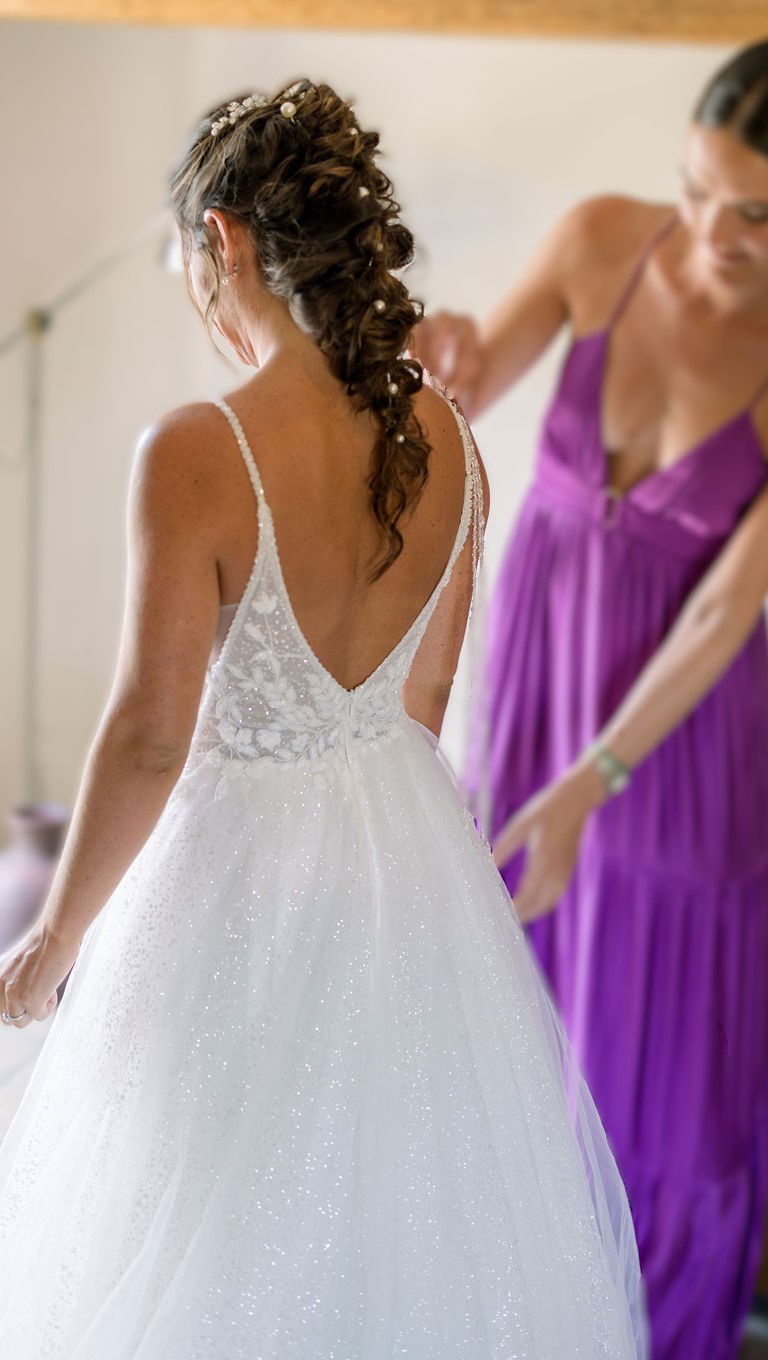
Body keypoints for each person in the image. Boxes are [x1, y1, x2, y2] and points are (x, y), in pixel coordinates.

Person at [0, 79, 645, 1358]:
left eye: (191, 255)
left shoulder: (198, 446)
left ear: (225, 240)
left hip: (225, 883)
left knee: (193, 1213)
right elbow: (420, 709)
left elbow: (147, 731)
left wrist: (56, 937)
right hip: (407, 889)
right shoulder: (449, 438)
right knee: (392, 1233)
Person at [412, 38, 768, 1360]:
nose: (709, 236)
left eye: (755, 214)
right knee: (519, 1039)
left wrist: (595, 783)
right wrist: (438, 348)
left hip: (677, 750)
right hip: (534, 703)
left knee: (668, 1097)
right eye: (694, 190)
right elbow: (459, 392)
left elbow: (732, 606)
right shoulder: (599, 242)